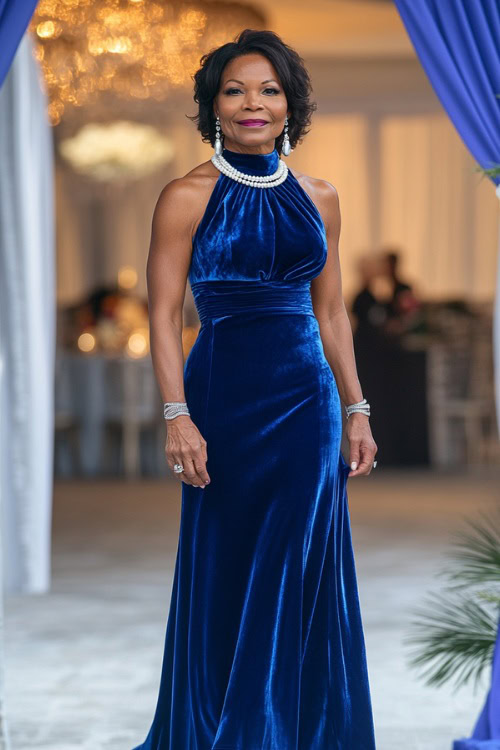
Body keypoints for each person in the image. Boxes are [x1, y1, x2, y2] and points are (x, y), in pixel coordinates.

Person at [132, 28, 378, 750]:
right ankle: (228, 728)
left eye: (269, 90)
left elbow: (331, 311)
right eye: (235, 90)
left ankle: (293, 730)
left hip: (308, 405)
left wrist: (357, 407)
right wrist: (177, 416)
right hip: (223, 400)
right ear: (213, 105)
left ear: (289, 105)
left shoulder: (321, 197)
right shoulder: (185, 196)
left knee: (297, 558)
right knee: (227, 560)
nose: (253, 103)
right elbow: (163, 315)